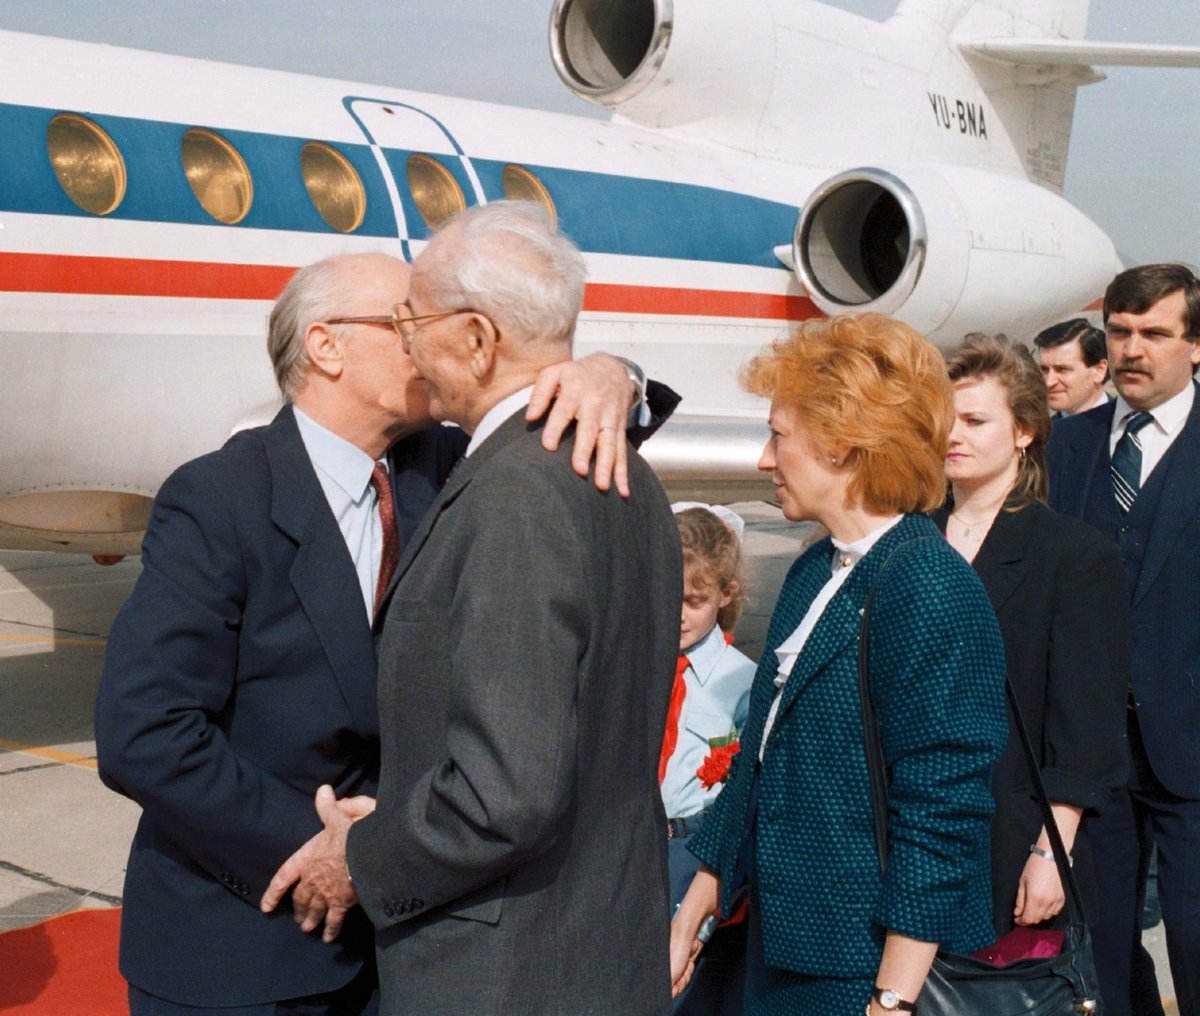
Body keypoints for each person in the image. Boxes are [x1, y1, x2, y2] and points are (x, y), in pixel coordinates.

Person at [94, 249, 677, 1015]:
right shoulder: (220, 499)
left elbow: (569, 415)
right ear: (324, 346)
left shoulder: (445, 468)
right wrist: (317, 848)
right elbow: (144, 729)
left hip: (399, 946)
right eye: (400, 322)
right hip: (243, 947)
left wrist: (614, 373)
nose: (423, 339)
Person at [262, 202, 682, 1015]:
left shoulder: (515, 497)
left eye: (413, 319)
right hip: (597, 953)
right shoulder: (621, 471)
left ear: (479, 339)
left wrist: (360, 855)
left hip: (505, 974)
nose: (408, 341)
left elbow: (502, 795)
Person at [670, 314, 1008, 1016]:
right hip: (781, 948)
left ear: (846, 448)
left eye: (778, 436)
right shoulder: (814, 572)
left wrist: (892, 998)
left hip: (861, 967)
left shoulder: (928, 584)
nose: (766, 459)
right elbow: (759, 764)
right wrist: (697, 903)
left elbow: (941, 808)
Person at [935, 334, 1129, 943]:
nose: (953, 435)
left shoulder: (1073, 555)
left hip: (1009, 837)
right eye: (945, 419)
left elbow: (1085, 730)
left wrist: (1052, 851)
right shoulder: (905, 540)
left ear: (1024, 431)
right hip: (905, 826)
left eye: (974, 420)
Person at [1047, 263, 1200, 1016]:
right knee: (1097, 962)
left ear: (1196, 345)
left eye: (1156, 334)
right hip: (1090, 760)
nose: (1134, 349)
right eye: (1121, 332)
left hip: (1194, 756)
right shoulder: (1061, 448)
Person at [661, 504, 756, 1016]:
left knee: (681, 982)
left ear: (725, 595)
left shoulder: (743, 682)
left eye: (695, 601)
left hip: (694, 851)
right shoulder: (636, 664)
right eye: (669, 596)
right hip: (632, 844)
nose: (678, 613)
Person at [1034, 318, 1110, 417]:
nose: (1049, 382)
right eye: (1044, 370)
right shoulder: (1041, 432)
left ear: (1099, 370)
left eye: (1062, 370)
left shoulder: (1129, 426)